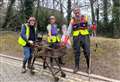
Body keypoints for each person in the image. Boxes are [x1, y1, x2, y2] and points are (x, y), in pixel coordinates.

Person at [67, 7, 90, 73]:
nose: (77, 14)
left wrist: (91, 27)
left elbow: (90, 25)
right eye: (75, 12)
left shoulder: (85, 17)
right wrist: (67, 37)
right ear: (74, 13)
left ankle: (88, 67)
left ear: (80, 11)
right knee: (76, 52)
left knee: (87, 52)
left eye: (78, 12)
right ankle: (76, 67)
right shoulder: (72, 20)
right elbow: (69, 29)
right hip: (76, 38)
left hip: (85, 37)